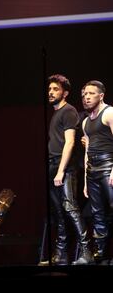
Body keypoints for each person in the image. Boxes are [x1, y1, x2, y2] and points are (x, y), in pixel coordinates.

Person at [47, 74, 93, 265]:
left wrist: (61, 170)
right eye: (49, 89)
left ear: (65, 93)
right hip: (52, 164)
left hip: (64, 167)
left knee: (70, 207)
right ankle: (61, 253)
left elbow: (70, 142)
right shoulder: (56, 113)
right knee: (58, 210)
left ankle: (87, 251)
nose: (51, 92)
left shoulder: (69, 111)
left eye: (55, 89)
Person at [82, 80, 113, 264]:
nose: (86, 97)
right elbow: (88, 150)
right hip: (92, 170)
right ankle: (100, 253)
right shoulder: (86, 121)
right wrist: (86, 180)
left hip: (108, 166)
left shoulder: (109, 112)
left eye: (91, 93)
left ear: (101, 96)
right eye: (85, 94)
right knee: (97, 213)